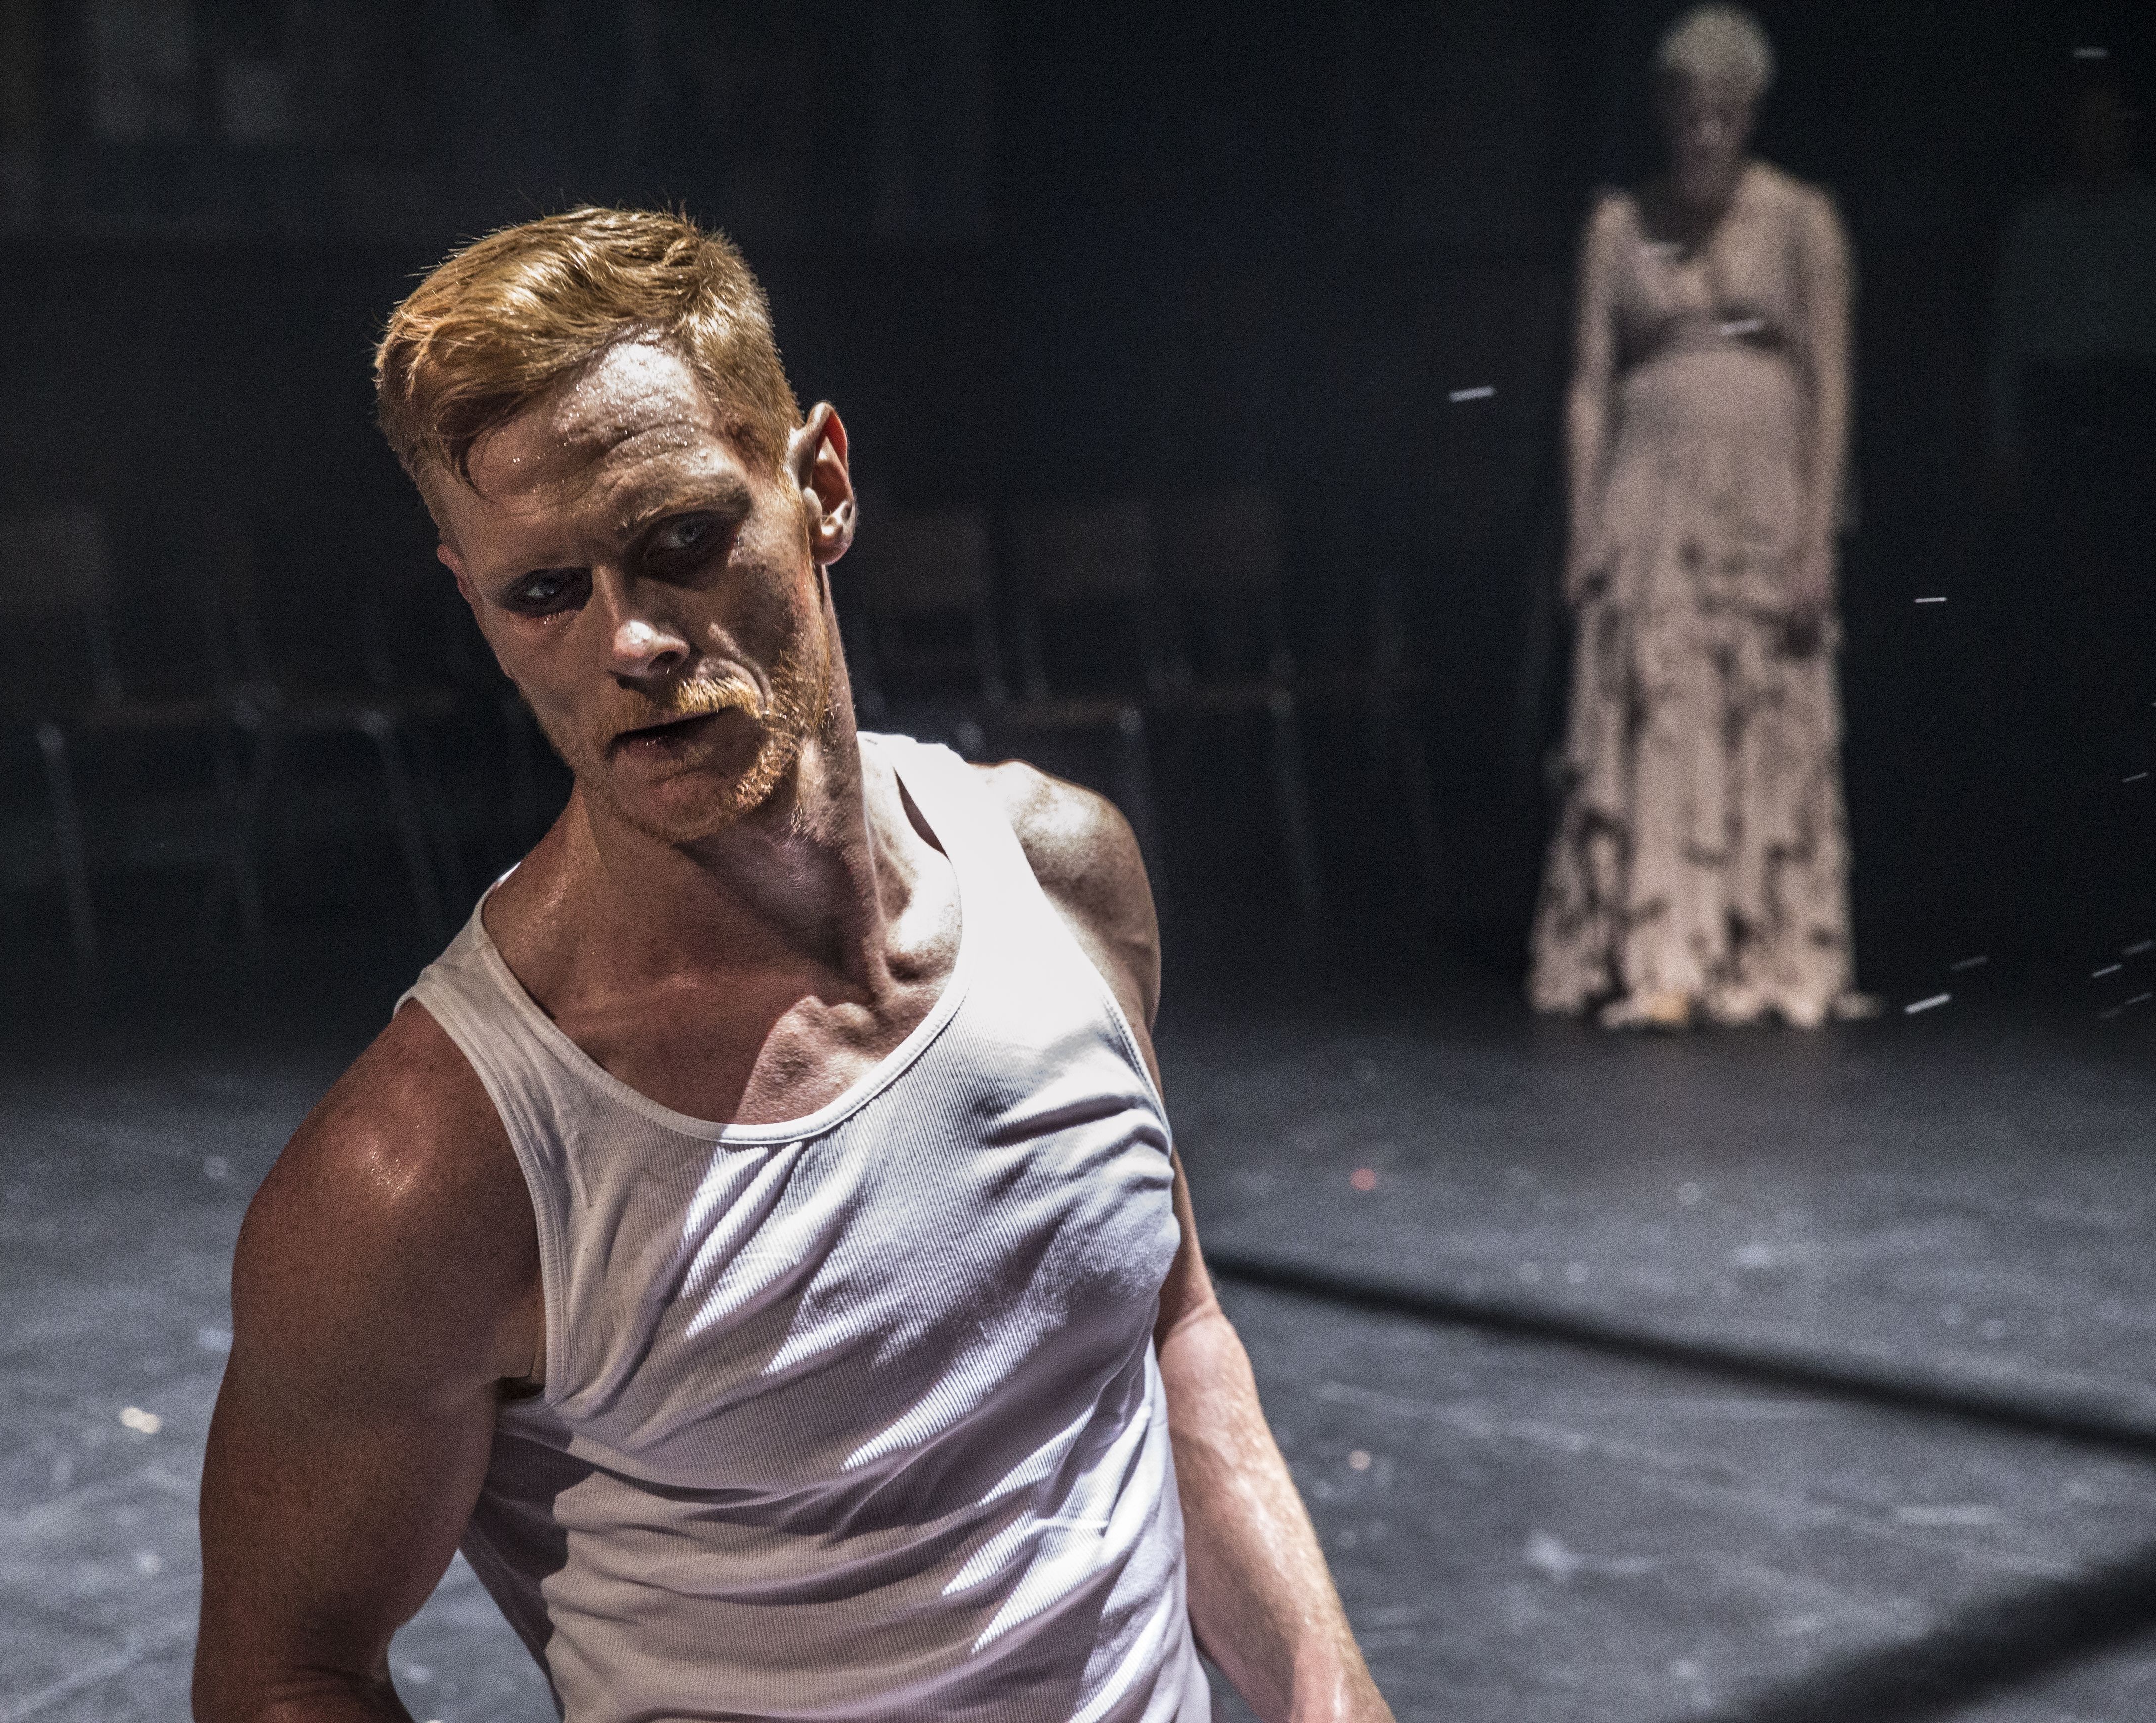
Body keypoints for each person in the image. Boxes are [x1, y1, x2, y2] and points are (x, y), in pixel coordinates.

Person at [191, 208, 1392, 1723]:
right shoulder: (431, 1173)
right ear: (476, 606)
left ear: (821, 484)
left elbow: (1172, 1328)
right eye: (546, 592)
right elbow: (282, 1676)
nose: (630, 640)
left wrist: (1331, 1692)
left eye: (680, 541)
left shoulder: (1061, 875)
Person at [1530, 4, 1867, 1030]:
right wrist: (1583, 522)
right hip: (1649, 499)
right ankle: (1663, 949)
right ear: (1663, 114)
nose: (1706, 137)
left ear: (1751, 114)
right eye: (1688, 117)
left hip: (1763, 496)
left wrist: (1818, 534)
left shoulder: (1802, 221)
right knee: (1662, 706)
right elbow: (1588, 388)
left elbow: (1832, 385)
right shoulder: (1617, 226)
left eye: (1725, 116)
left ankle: (1769, 943)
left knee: (1763, 706)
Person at [1985, 76, 2156, 953]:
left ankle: (2129, 832)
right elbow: (2011, 338)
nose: (2097, 138)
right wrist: (2007, 440)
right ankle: (2057, 832)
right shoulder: (2037, 227)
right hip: (2062, 424)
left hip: (2128, 423)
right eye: (2085, 124)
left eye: (2111, 124)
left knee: (2129, 618)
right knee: (2058, 619)